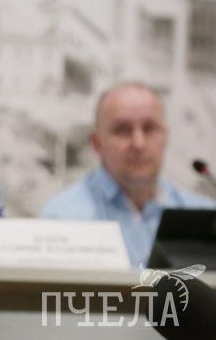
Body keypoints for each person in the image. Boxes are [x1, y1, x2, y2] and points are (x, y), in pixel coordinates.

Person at [39, 82, 216, 268]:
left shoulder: (206, 218)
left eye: (149, 128)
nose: (138, 144)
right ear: (97, 143)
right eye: (122, 130)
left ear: (165, 137)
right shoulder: (62, 219)